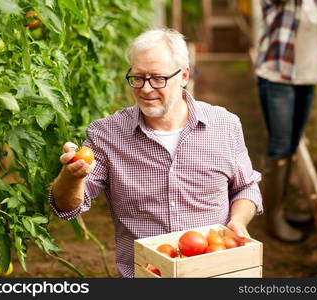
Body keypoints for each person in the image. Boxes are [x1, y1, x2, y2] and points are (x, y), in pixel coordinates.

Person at [49, 28, 263, 278]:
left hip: (215, 272)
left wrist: (237, 221)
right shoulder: (106, 135)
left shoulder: (224, 125)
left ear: (184, 76)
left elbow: (246, 188)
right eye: (137, 78)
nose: (146, 89)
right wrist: (71, 177)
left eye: (158, 78)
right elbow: (67, 207)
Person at [254, 0, 317, 242]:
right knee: (280, 145)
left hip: (307, 77)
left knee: (293, 144)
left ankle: (283, 208)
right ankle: (273, 218)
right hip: (278, 77)